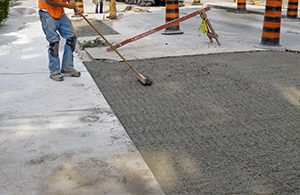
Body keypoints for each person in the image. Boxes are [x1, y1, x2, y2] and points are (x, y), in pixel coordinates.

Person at [38, 0, 81, 81]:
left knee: (71, 38)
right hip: (47, 13)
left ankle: (67, 68)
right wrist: (68, 6)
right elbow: (50, 2)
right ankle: (54, 71)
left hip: (60, 13)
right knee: (54, 42)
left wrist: (74, 6)